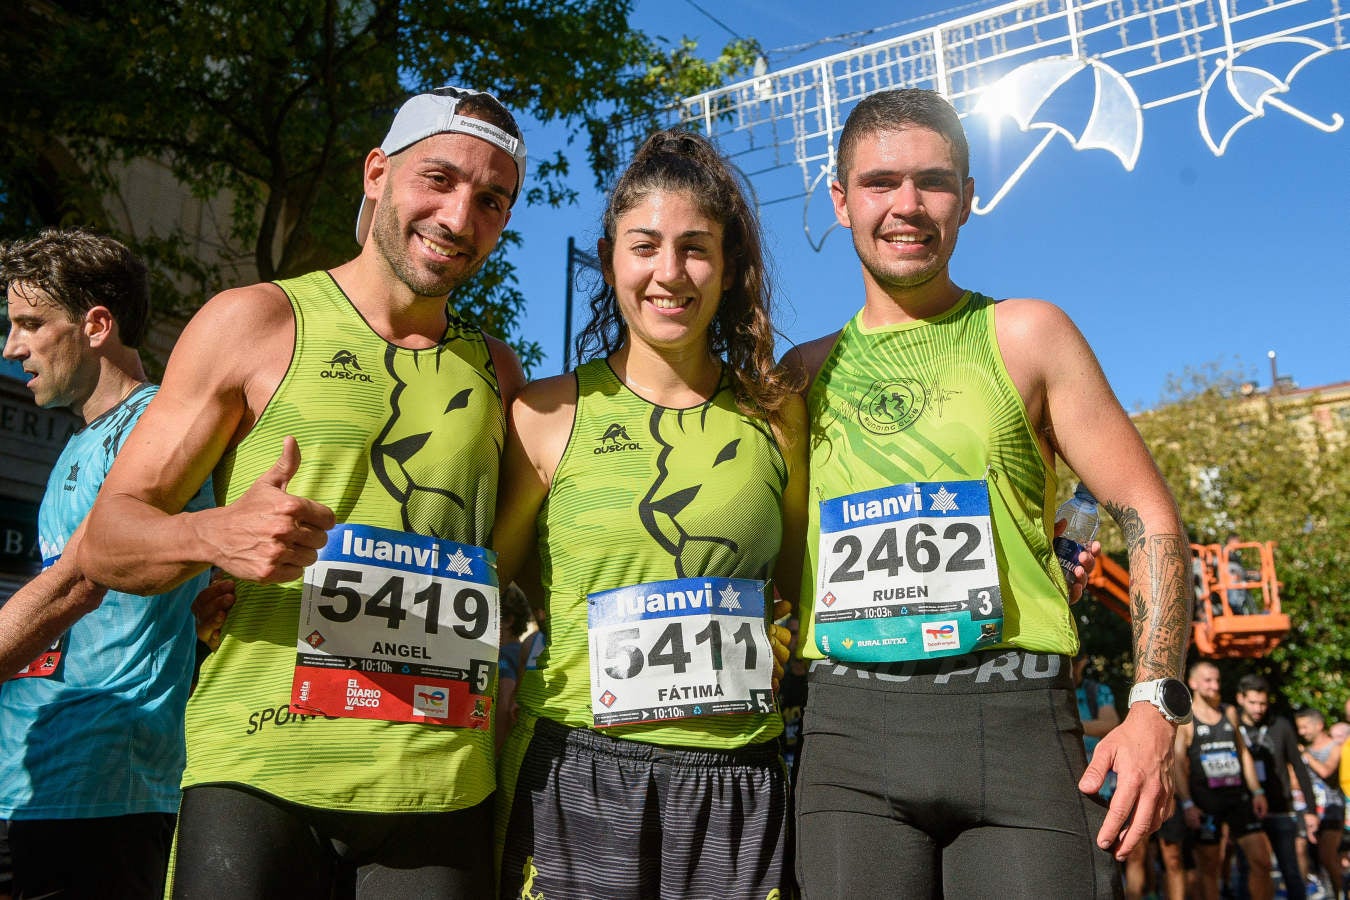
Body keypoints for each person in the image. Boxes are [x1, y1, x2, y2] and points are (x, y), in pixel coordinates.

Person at [77, 85, 529, 898]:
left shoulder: (498, 371)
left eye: (492, 199)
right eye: (439, 179)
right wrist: (214, 536)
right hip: (260, 772)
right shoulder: (256, 320)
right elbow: (108, 537)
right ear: (377, 173)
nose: (460, 218)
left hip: (438, 785)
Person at [784, 88, 1192, 898]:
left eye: (934, 181)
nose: (908, 205)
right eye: (879, 182)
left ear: (968, 198)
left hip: (1013, 728)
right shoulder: (798, 375)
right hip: (847, 738)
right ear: (840, 201)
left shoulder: (1028, 333)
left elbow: (1147, 512)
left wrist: (1157, 705)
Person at [491, 128, 806, 899]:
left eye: (697, 248)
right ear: (610, 261)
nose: (671, 273)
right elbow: (491, 581)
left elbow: (799, 584)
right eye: (645, 246)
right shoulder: (544, 412)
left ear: (730, 269)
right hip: (573, 770)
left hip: (739, 777)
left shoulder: (778, 417)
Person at [0, 229, 213, 899]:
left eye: (31, 324)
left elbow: (80, 584)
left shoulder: (158, 429)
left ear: (96, 325)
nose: (12, 347)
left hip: (107, 786)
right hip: (30, 777)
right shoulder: (79, 441)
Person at [1173, 660, 1274, 900]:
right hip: (1206, 803)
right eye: (1208, 680)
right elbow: (1176, 763)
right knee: (1210, 870)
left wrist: (1257, 791)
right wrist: (1187, 803)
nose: (1215, 685)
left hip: (1238, 799)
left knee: (1262, 861)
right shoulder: (1186, 719)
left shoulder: (1229, 712)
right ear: (1193, 683)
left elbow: (1243, 753)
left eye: (1217, 680)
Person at [1235, 673, 1321, 900]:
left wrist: (1311, 810)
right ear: (1240, 699)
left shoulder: (1280, 725)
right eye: (1253, 702)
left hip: (1280, 808)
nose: (1258, 708)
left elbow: (1300, 769)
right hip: (1245, 810)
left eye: (1263, 703)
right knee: (1247, 869)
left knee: (1289, 868)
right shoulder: (1232, 727)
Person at [1295, 708, 1345, 899]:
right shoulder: (1304, 749)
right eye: (1299, 728)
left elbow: (1326, 772)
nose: (1302, 732)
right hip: (1310, 809)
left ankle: (1340, 892)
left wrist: (1306, 757)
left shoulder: (1334, 747)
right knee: (1303, 850)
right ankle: (1312, 889)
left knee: (1327, 855)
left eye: (1305, 727)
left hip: (1332, 808)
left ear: (1319, 725)